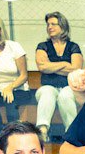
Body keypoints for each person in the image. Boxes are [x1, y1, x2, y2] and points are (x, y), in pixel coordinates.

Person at [35, 12, 82, 141]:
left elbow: (76, 68)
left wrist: (52, 67)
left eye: (53, 24)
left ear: (62, 26)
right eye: (48, 24)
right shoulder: (42, 46)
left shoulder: (73, 46)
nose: (49, 27)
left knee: (65, 94)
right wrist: (64, 64)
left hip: (69, 87)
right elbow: (43, 67)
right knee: (47, 93)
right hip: (47, 86)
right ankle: (42, 130)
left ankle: (71, 132)